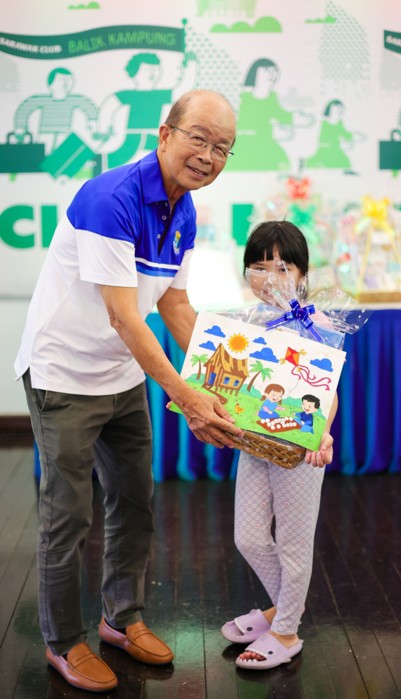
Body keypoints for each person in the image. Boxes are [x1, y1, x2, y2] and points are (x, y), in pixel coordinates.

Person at [14, 89, 242, 693]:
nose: (209, 156)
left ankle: (121, 619)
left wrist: (229, 381)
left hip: (120, 375)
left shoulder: (184, 209)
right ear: (165, 134)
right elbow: (123, 316)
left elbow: (175, 305)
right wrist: (188, 396)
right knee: (68, 515)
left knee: (135, 502)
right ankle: (63, 642)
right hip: (64, 374)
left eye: (223, 148)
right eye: (199, 138)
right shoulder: (111, 197)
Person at [221, 220, 336, 670]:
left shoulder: (317, 324)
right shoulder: (244, 324)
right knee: (248, 537)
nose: (270, 277)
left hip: (299, 452)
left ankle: (286, 631)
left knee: (293, 543)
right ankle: (282, 611)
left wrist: (321, 433)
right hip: (255, 446)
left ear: (303, 274)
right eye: (259, 266)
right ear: (246, 272)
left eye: (283, 267)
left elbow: (329, 390)